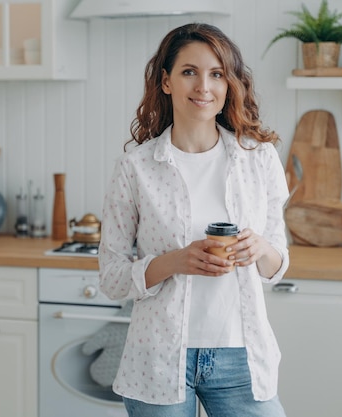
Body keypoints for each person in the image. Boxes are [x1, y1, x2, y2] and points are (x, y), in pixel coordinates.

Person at [98, 23, 290, 417]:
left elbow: (277, 265)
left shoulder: (259, 159)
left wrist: (261, 249)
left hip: (241, 355)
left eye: (217, 74)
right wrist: (176, 261)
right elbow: (112, 277)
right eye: (189, 72)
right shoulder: (136, 167)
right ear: (166, 82)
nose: (204, 86)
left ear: (229, 84)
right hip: (158, 356)